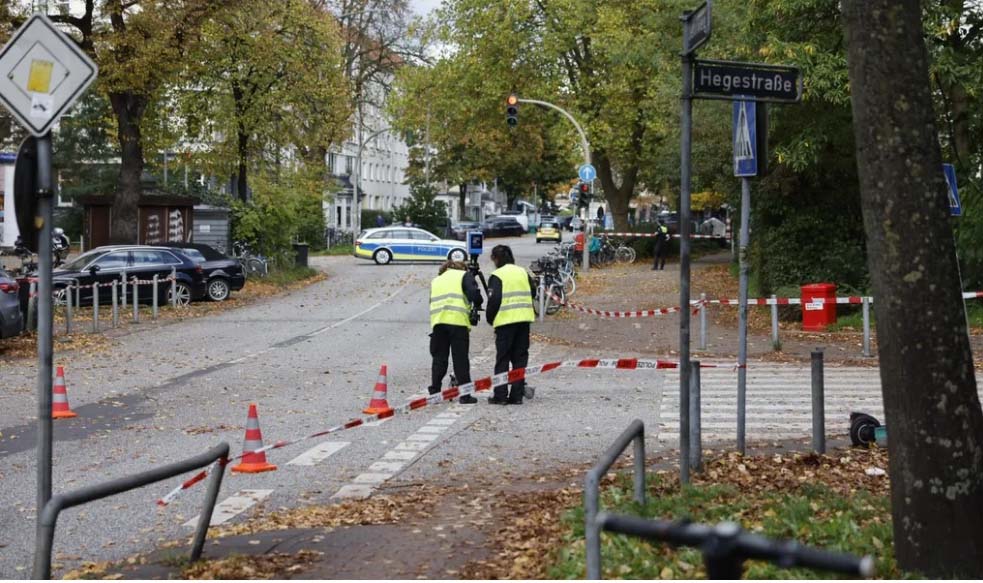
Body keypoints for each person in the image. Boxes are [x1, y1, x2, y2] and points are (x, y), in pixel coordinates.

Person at [485, 245, 536, 405]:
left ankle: (500, 396)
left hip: (505, 322)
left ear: (496, 259)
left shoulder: (497, 275)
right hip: (524, 320)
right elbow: (533, 292)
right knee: (520, 359)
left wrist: (490, 318)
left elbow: (494, 300)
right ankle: (517, 395)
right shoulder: (522, 272)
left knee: (503, 359)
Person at [429, 260, 483, 404]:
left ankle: (434, 392)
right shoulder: (463, 275)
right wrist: (478, 303)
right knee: (460, 359)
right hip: (458, 322)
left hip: (439, 322)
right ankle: (465, 395)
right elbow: (474, 294)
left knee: (439, 359)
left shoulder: (436, 280)